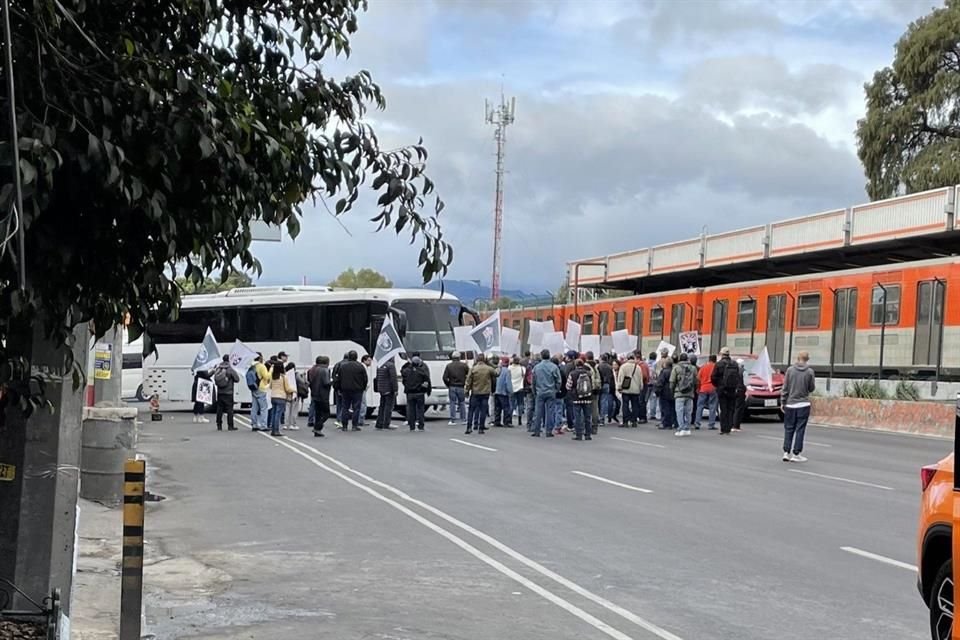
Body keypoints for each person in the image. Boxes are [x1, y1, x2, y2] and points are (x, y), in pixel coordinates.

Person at [781, 351, 816, 462]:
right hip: (803, 404)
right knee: (800, 429)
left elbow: (785, 388)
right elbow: (811, 388)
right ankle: (796, 454)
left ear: (797, 358)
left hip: (790, 404)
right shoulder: (810, 372)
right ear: (807, 359)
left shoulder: (790, 370)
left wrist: (783, 402)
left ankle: (786, 452)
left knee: (788, 428)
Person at [531, 349, 562, 437]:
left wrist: (534, 391)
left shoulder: (537, 367)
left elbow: (533, 381)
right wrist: (556, 389)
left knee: (538, 412)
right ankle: (549, 431)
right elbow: (559, 381)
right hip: (551, 391)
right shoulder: (554, 367)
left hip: (540, 391)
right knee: (550, 412)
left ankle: (536, 430)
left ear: (541, 356)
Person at [335, 351, 368, 432]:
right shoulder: (360, 366)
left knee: (345, 407)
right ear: (356, 357)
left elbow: (338, 379)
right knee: (356, 408)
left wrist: (339, 388)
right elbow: (365, 379)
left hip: (345, 390)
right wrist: (363, 388)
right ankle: (354, 425)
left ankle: (344, 426)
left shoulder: (343, 366)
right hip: (357, 390)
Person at [711, 347, 740, 435]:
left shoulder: (719, 364)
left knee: (723, 409)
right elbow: (738, 376)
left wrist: (718, 386)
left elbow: (713, 377)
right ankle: (729, 427)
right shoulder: (734, 364)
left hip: (722, 389)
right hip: (732, 389)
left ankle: (723, 428)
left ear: (721, 354)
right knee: (731, 409)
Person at [465, 354, 496, 434]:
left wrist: (467, 391)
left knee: (471, 410)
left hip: (475, 392)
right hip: (485, 393)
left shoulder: (473, 369)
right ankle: (481, 428)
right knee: (483, 410)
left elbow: (468, 381)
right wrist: (492, 364)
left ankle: (469, 427)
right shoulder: (489, 369)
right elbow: (496, 373)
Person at [401, 352, 431, 431]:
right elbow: (427, 381)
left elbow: (403, 376)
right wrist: (424, 390)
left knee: (411, 409)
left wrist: (408, 363)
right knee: (420, 409)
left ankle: (412, 426)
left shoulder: (406, 371)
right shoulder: (422, 371)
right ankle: (421, 425)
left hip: (410, 393)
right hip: (419, 392)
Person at [670, 352, 698, 437]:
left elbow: (672, 381)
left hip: (679, 393)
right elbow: (696, 381)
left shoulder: (676, 368)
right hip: (690, 393)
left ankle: (681, 428)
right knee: (688, 412)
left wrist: (672, 390)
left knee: (679, 411)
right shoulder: (693, 368)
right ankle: (687, 428)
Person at [565, 358, 594, 441]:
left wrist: (571, 393)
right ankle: (588, 434)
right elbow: (591, 385)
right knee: (587, 416)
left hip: (576, 398)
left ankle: (579, 434)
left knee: (577, 416)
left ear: (575, 365)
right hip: (587, 397)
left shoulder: (572, 374)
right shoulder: (588, 373)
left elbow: (568, 386)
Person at [211, 355, 239, 431]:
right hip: (229, 392)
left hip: (220, 392)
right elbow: (237, 379)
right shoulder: (230, 369)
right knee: (229, 410)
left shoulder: (218, 368)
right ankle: (230, 426)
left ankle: (219, 425)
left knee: (219, 409)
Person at [307, 356, 332, 437]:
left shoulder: (312, 370)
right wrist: (333, 382)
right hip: (323, 395)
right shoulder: (325, 370)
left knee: (318, 413)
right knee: (326, 413)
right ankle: (317, 427)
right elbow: (326, 383)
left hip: (314, 394)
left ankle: (317, 431)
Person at [617, 353, 643, 428]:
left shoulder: (623, 367)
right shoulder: (638, 367)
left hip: (626, 389)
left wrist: (619, 387)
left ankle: (625, 421)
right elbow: (640, 379)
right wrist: (641, 387)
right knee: (635, 405)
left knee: (625, 405)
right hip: (636, 389)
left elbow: (620, 378)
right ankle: (634, 421)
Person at [268, 361, 293, 437]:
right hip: (281, 397)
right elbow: (287, 388)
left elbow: (270, 386)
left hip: (273, 396)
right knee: (278, 415)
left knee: (274, 413)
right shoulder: (283, 377)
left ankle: (273, 430)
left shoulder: (273, 376)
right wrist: (293, 390)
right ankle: (276, 430)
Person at [443, 351, 469, 425]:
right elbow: (469, 375)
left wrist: (448, 385)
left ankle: (452, 420)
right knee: (462, 403)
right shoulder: (464, 366)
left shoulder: (449, 366)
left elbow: (444, 377)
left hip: (452, 386)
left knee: (452, 403)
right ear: (459, 358)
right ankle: (464, 419)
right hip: (461, 386)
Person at [248, 353, 271, 431]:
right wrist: (271, 371)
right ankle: (263, 425)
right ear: (260, 358)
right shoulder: (261, 366)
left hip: (253, 388)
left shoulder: (251, 366)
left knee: (254, 407)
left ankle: (254, 424)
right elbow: (266, 377)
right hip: (261, 388)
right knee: (263, 408)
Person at [695, 354, 719, 430]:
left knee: (700, 406)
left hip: (703, 388)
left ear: (709, 359)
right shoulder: (716, 367)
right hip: (713, 388)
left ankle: (697, 423)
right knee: (712, 406)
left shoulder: (703, 367)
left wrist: (698, 388)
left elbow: (698, 379)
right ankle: (711, 424)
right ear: (715, 360)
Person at [584, 352, 602, 434]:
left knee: (586, 409)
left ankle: (587, 426)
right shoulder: (596, 366)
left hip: (588, 390)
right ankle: (595, 426)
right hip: (596, 390)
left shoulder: (586, 367)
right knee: (595, 408)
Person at [656, 358, 676, 430]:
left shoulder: (664, 372)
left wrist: (657, 391)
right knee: (672, 408)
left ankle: (666, 423)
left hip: (664, 392)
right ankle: (673, 422)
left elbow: (660, 382)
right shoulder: (674, 371)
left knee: (665, 408)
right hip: (673, 392)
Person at [493, 357, 513, 427]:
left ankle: (497, 421)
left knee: (497, 408)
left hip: (496, 391)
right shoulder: (507, 371)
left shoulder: (497, 370)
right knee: (506, 408)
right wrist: (510, 391)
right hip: (503, 392)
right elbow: (508, 382)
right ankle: (506, 422)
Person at [331, 352, 349, 427]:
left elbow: (333, 376)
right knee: (345, 405)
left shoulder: (337, 364)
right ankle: (342, 419)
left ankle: (338, 419)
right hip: (345, 387)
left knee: (339, 404)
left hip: (337, 387)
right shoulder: (347, 365)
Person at [598, 354, 616, 425]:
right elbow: (612, 377)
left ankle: (599, 417)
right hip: (607, 384)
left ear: (601, 359)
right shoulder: (610, 367)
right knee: (604, 401)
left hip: (600, 384)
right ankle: (603, 417)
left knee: (598, 401)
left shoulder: (599, 366)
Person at [509, 356, 526, 425]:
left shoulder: (509, 368)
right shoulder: (522, 368)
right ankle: (520, 419)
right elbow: (524, 376)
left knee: (511, 403)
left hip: (512, 387)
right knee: (520, 404)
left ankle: (510, 418)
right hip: (520, 387)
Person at [733, 358, 748, 432]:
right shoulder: (743, 371)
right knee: (739, 408)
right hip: (741, 390)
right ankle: (736, 426)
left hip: (733, 390)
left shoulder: (733, 371)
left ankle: (732, 424)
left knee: (733, 407)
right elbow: (746, 383)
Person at [646, 351, 660, 422]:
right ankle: (652, 414)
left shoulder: (646, 363)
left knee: (645, 399)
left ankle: (643, 413)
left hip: (646, 382)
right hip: (654, 383)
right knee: (653, 399)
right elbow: (657, 374)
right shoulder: (656, 364)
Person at [359, 354, 373, 426]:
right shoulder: (363, 367)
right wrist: (365, 387)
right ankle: (361, 420)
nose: (370, 362)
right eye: (369, 361)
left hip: (362, 388)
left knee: (361, 404)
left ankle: (360, 420)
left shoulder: (364, 367)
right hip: (362, 389)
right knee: (363, 404)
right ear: (364, 360)